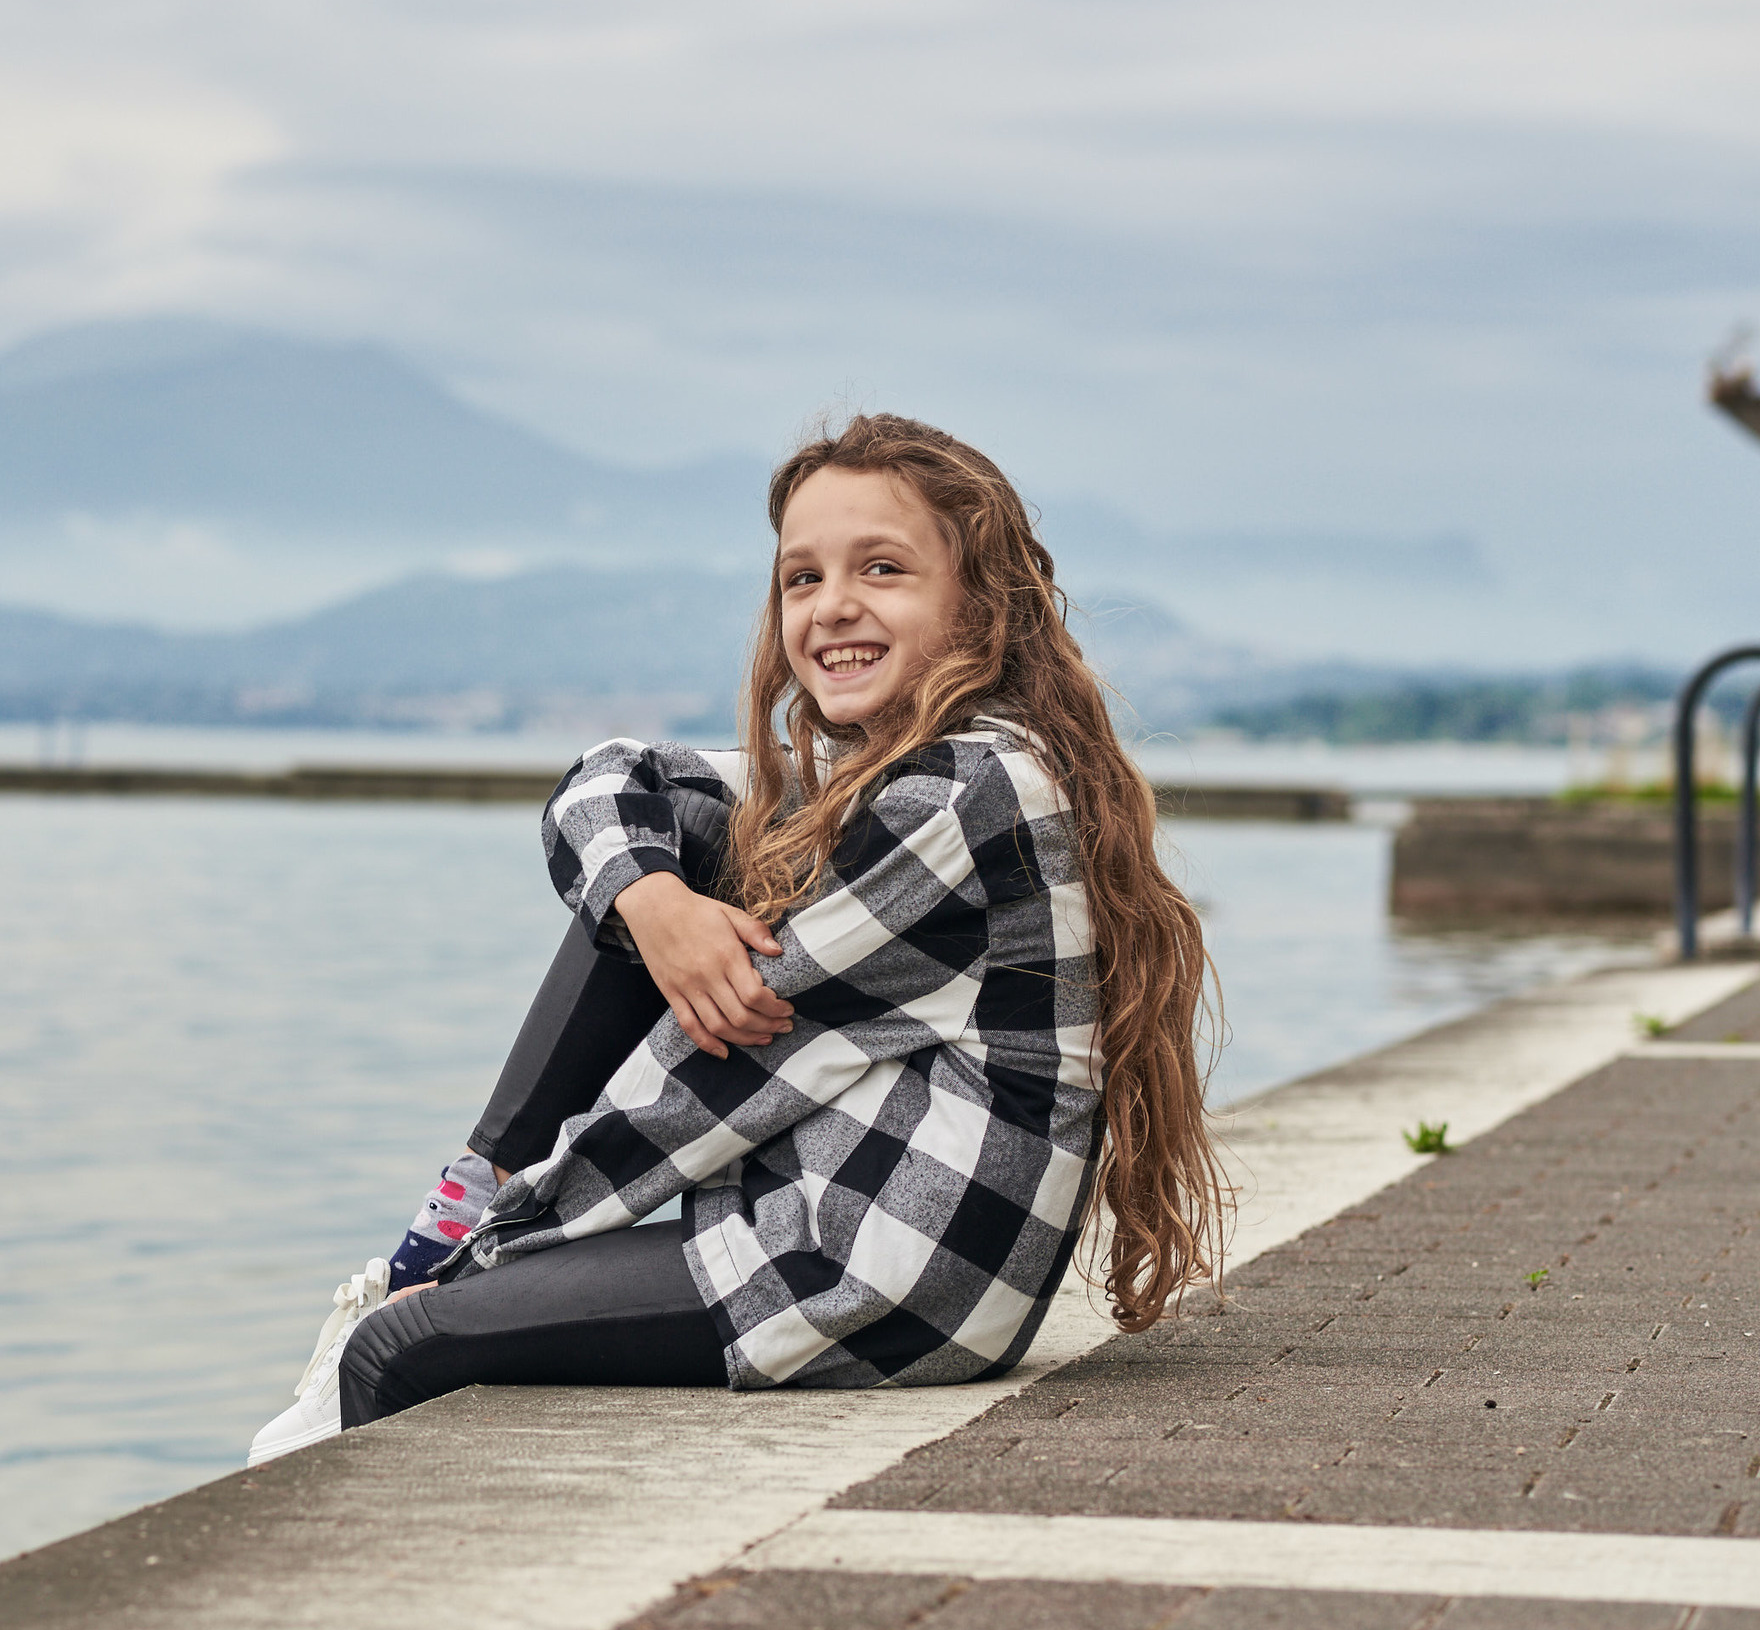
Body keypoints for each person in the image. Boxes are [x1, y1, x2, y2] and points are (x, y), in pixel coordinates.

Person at [248, 412, 1226, 1466]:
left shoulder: (963, 795)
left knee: (400, 1344)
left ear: (979, 604)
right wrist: (654, 902)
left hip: (884, 1269)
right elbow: (612, 779)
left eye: (882, 568)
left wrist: (486, 1249)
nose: (832, 606)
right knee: (651, 870)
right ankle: (449, 1220)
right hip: (841, 1230)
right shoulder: (893, 769)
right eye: (801, 578)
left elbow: (709, 1083)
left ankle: (428, 1254)